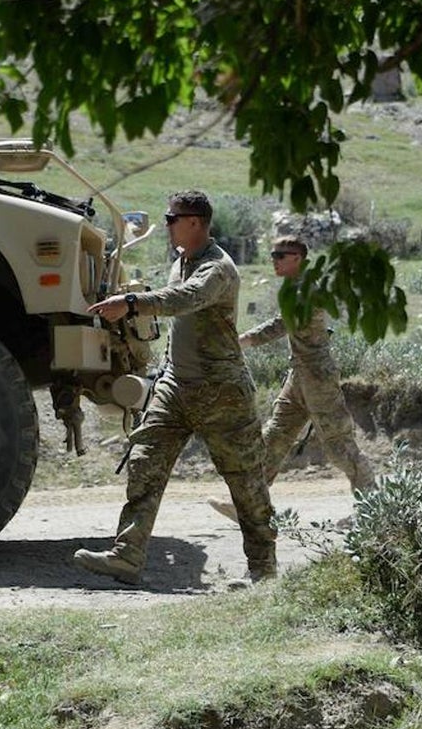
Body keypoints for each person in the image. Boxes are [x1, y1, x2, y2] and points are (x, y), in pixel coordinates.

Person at [74, 190, 277, 585]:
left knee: (245, 482)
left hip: (222, 391)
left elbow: (186, 300)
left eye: (172, 218)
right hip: (177, 388)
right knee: (145, 463)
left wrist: (132, 302)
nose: (166, 224)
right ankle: (127, 556)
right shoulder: (181, 262)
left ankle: (264, 571)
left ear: (196, 223)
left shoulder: (218, 268)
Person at [208, 235, 374, 525]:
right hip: (300, 374)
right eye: (273, 255)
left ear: (297, 259)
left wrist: (243, 340)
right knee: (274, 438)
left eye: (280, 256)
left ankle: (374, 508)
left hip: (317, 376)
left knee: (338, 444)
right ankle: (248, 506)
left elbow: (281, 325)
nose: (274, 260)